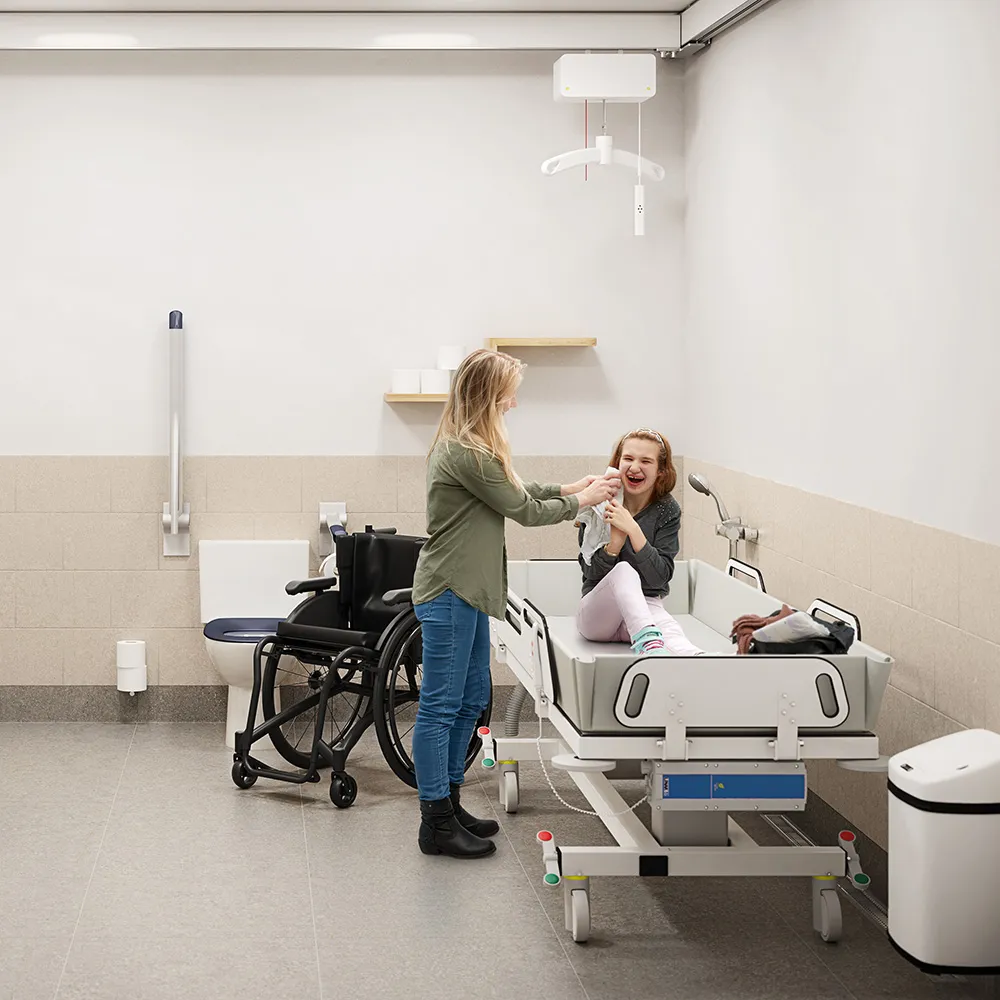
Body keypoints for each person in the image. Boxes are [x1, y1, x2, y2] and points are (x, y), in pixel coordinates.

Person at [410, 348, 620, 860]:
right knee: (440, 706)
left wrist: (571, 487)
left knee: (470, 698)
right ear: (487, 396)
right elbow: (523, 509)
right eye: (509, 394)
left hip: (469, 591)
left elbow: (515, 489)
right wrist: (584, 501)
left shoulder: (473, 449)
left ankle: (449, 802)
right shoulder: (465, 452)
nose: (514, 403)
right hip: (450, 590)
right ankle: (435, 821)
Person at [575, 427, 704, 658]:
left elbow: (659, 578)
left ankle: (703, 664)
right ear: (618, 462)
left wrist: (633, 530)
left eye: (645, 461)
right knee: (624, 571)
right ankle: (649, 640)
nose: (635, 467)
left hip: (645, 607)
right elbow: (590, 573)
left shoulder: (667, 509)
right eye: (628, 458)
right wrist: (615, 544)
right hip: (597, 616)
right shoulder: (599, 500)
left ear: (661, 471)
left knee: (674, 636)